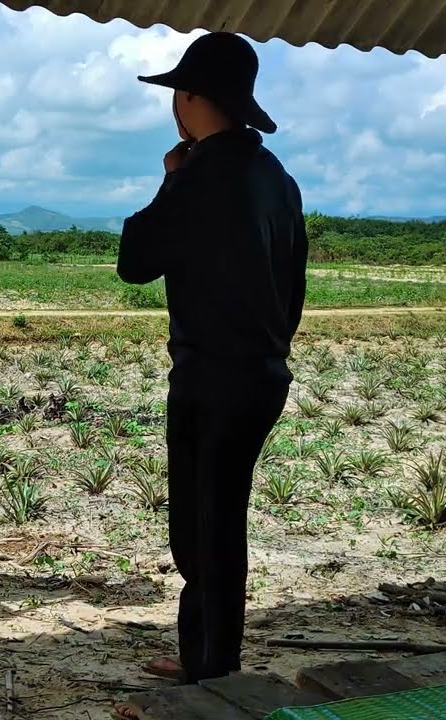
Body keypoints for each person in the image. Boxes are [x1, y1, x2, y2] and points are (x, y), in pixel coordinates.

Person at [115, 32, 308, 691]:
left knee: (203, 530)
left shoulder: (200, 174)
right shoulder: (276, 178)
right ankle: (206, 657)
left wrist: (171, 180)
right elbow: (295, 287)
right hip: (262, 374)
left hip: (211, 379)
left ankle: (213, 667)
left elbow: (135, 262)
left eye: (178, 92)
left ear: (192, 97)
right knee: (218, 518)